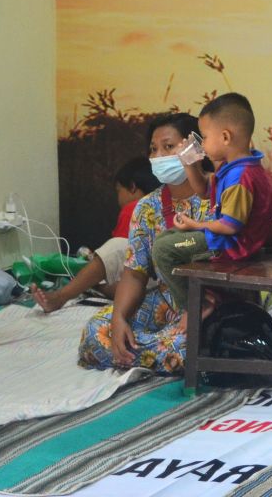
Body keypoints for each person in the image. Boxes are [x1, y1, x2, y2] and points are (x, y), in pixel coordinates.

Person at [78, 113, 212, 373]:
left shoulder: (219, 195)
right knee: (96, 333)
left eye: (168, 147)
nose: (158, 155)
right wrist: (119, 319)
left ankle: (151, 353)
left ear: (194, 149)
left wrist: (198, 309)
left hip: (211, 303)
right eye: (153, 149)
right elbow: (134, 275)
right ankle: (156, 353)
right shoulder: (146, 207)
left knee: (188, 346)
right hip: (165, 302)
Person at [152, 92, 272, 313]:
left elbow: (230, 226)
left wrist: (195, 225)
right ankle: (201, 302)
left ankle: (196, 308)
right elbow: (203, 191)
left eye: (205, 137)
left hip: (234, 245)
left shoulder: (241, 177)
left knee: (163, 250)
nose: (203, 144)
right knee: (166, 237)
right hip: (228, 239)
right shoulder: (234, 167)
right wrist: (189, 164)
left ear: (226, 137)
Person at [31, 157, 159, 313]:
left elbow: (119, 255)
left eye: (118, 191)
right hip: (160, 281)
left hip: (147, 283)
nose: (118, 198)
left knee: (113, 252)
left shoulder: (135, 208)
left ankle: (62, 296)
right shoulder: (162, 202)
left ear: (132, 187)